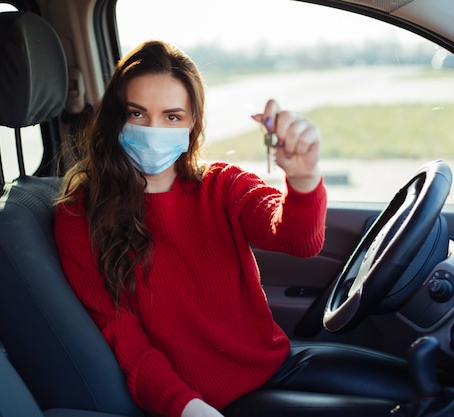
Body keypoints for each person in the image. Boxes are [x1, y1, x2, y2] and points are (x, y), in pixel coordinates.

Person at [54, 40, 414, 417]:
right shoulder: (81, 215)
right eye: (137, 114)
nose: (153, 129)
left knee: (433, 391)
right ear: (116, 118)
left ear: (193, 124)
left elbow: (297, 240)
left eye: (172, 116)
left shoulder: (221, 184)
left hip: (276, 363)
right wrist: (189, 409)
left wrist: (304, 179)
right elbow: (123, 339)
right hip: (207, 402)